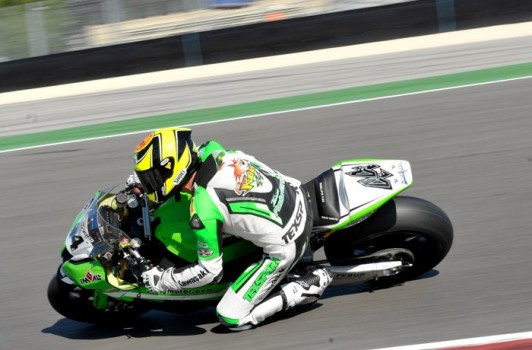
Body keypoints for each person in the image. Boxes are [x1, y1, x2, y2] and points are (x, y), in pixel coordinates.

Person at [134, 127, 332, 331]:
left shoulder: (203, 207)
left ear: (174, 168)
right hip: (294, 191)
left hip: (289, 240)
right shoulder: (210, 150)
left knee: (231, 317)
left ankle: (307, 286)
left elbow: (209, 272)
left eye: (152, 177)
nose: (150, 183)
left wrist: (163, 281)